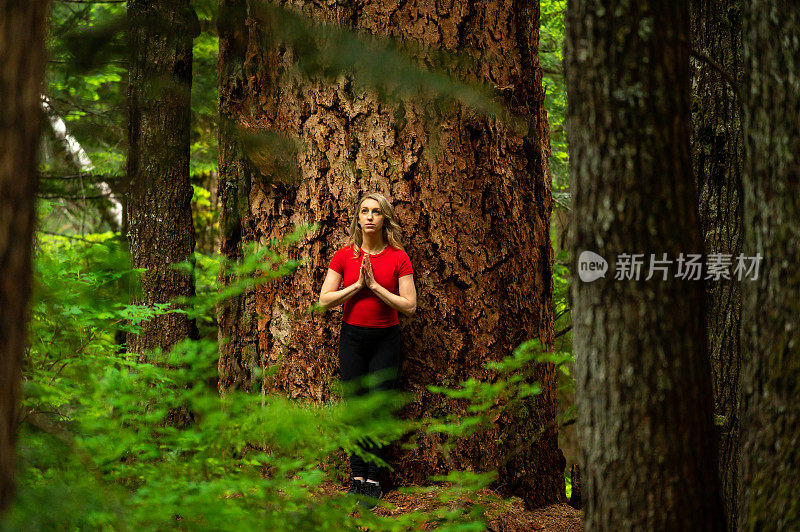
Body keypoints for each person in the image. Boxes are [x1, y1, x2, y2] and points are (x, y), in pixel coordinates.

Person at [318, 192, 417, 509]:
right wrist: (357, 287)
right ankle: (357, 478)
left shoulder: (399, 258)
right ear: (358, 218)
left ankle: (373, 481)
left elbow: (410, 306)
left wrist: (375, 287)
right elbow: (324, 300)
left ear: (385, 218)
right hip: (352, 340)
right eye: (364, 211)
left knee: (377, 410)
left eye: (376, 211)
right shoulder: (344, 256)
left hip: (385, 340)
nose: (370, 216)